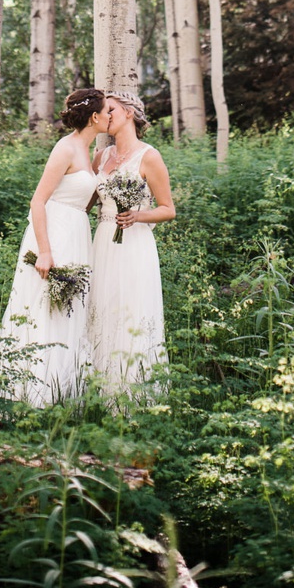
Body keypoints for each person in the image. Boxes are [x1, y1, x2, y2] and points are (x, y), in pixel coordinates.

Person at [0, 88, 108, 406]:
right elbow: (38, 201)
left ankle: (63, 392)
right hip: (55, 232)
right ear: (95, 117)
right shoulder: (65, 149)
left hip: (77, 231)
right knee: (47, 307)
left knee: (70, 308)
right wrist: (45, 251)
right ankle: (28, 394)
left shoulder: (89, 151)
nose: (110, 116)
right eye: (107, 111)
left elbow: (85, 197)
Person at [87, 89, 175, 391]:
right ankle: (97, 387)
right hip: (103, 241)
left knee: (130, 310)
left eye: (110, 109)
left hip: (135, 244)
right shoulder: (101, 156)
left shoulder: (149, 156)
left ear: (128, 112)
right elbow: (86, 201)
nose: (105, 116)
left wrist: (138, 216)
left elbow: (168, 209)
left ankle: (132, 389)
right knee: (102, 307)